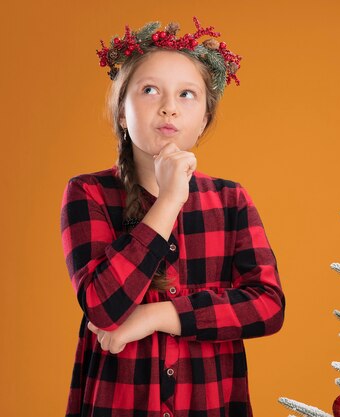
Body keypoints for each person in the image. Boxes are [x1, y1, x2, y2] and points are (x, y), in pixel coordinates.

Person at [59, 17, 285, 417]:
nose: (168, 107)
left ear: (203, 121)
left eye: (186, 95)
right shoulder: (88, 193)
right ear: (123, 114)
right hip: (120, 403)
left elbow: (267, 306)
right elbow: (103, 306)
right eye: (150, 90)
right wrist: (168, 202)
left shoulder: (230, 200)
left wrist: (157, 316)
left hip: (211, 402)